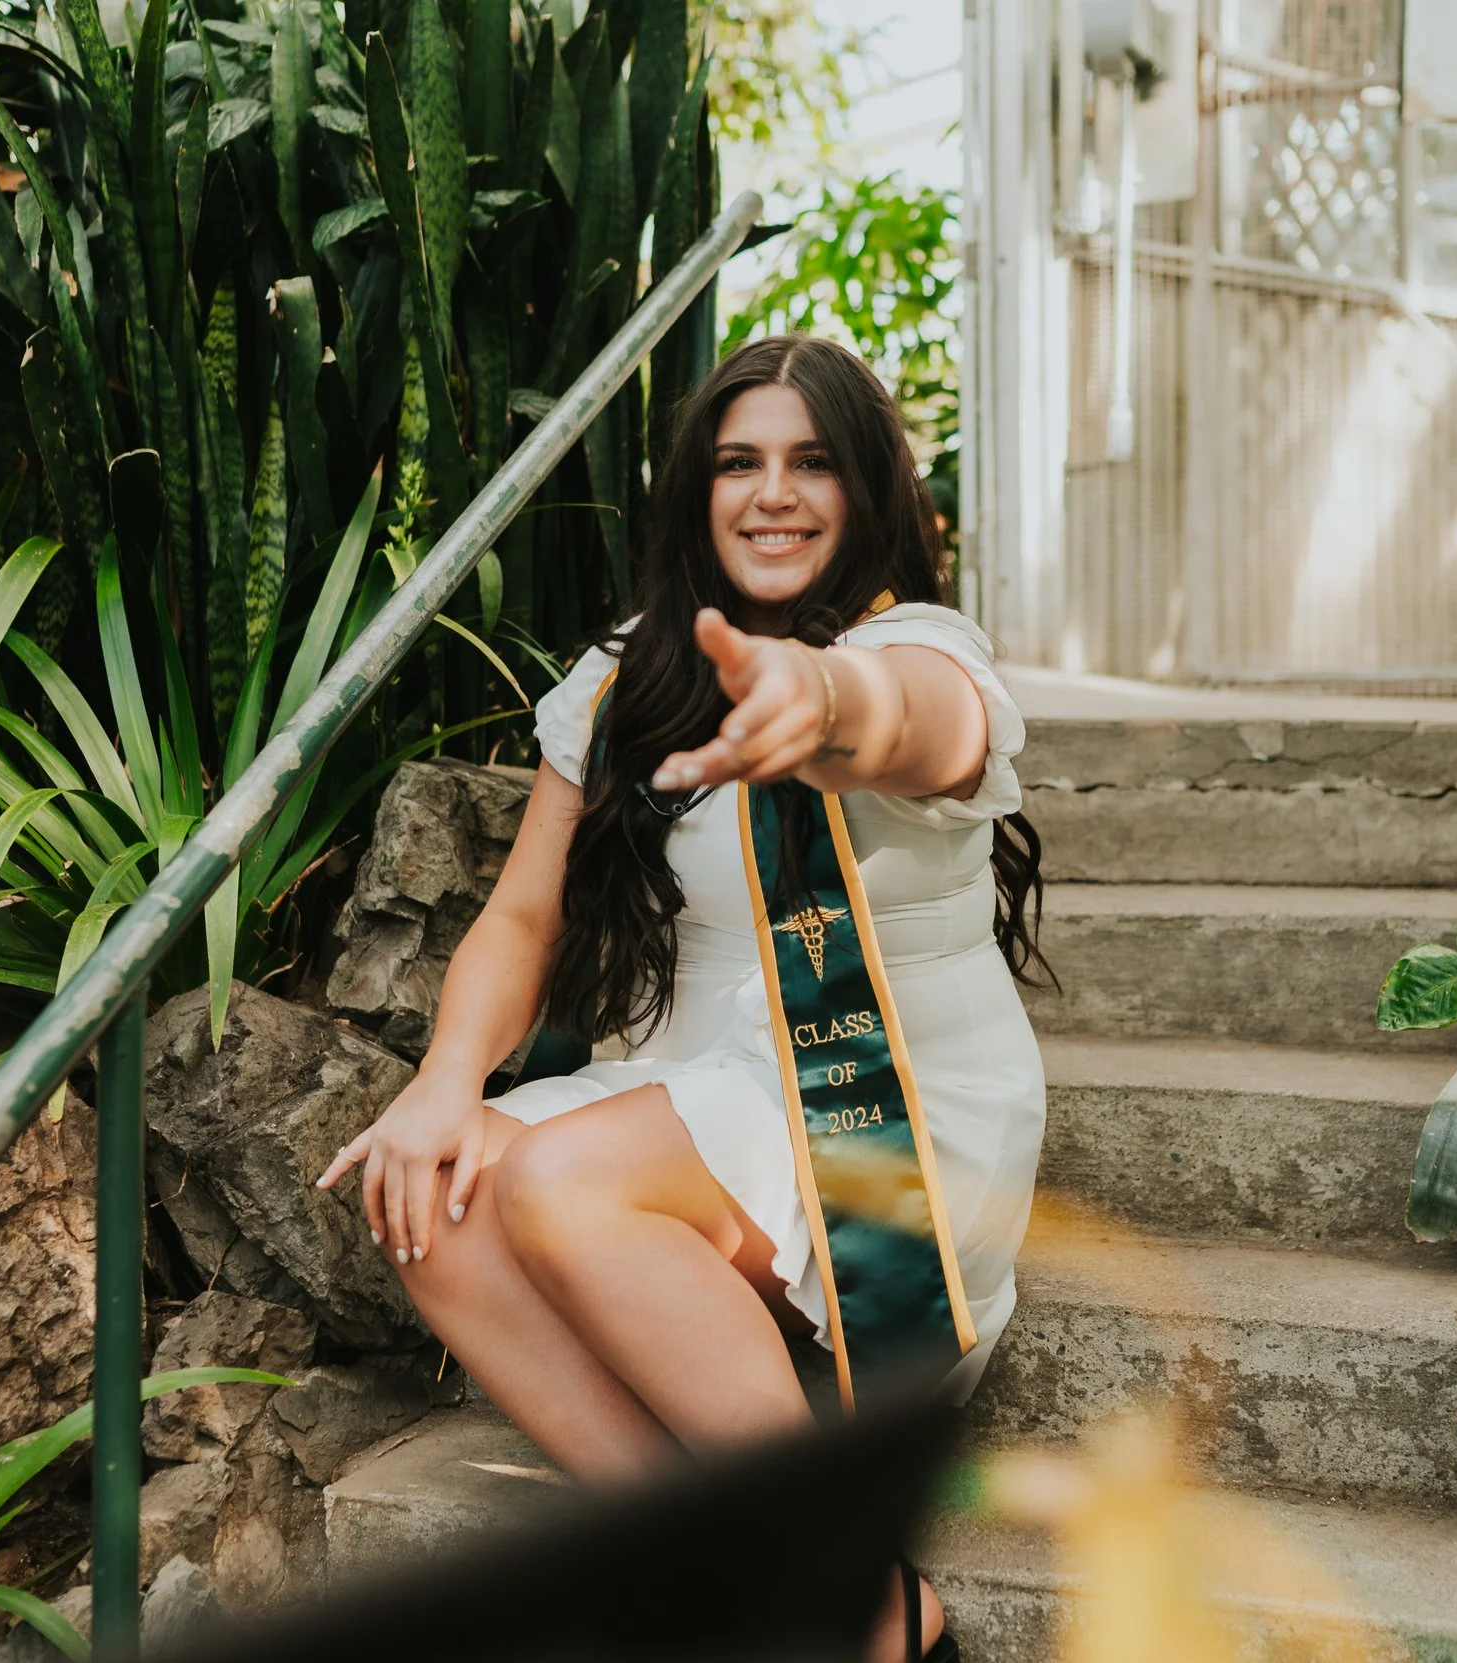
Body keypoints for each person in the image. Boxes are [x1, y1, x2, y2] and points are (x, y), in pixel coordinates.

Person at [318, 334, 1049, 1663]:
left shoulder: (918, 646)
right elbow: (525, 912)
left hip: (888, 1109)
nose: (773, 492)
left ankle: (869, 1618)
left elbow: (916, 724)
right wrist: (439, 1087)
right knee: (434, 1190)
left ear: (868, 489)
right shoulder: (626, 673)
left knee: (560, 1183)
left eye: (812, 463)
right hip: (700, 1085)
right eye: (740, 462)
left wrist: (819, 697)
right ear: (697, 493)